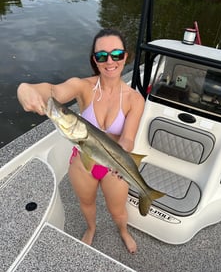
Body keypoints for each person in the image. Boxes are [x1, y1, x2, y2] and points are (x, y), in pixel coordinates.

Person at [17, 28, 145, 254]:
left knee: (117, 212)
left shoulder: (135, 99)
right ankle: (91, 228)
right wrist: (25, 88)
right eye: (101, 56)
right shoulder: (82, 86)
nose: (109, 61)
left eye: (116, 54)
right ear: (95, 61)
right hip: (82, 163)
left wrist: (120, 156)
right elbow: (52, 91)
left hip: (115, 166)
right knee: (86, 203)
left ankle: (123, 231)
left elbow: (128, 138)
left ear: (126, 56)